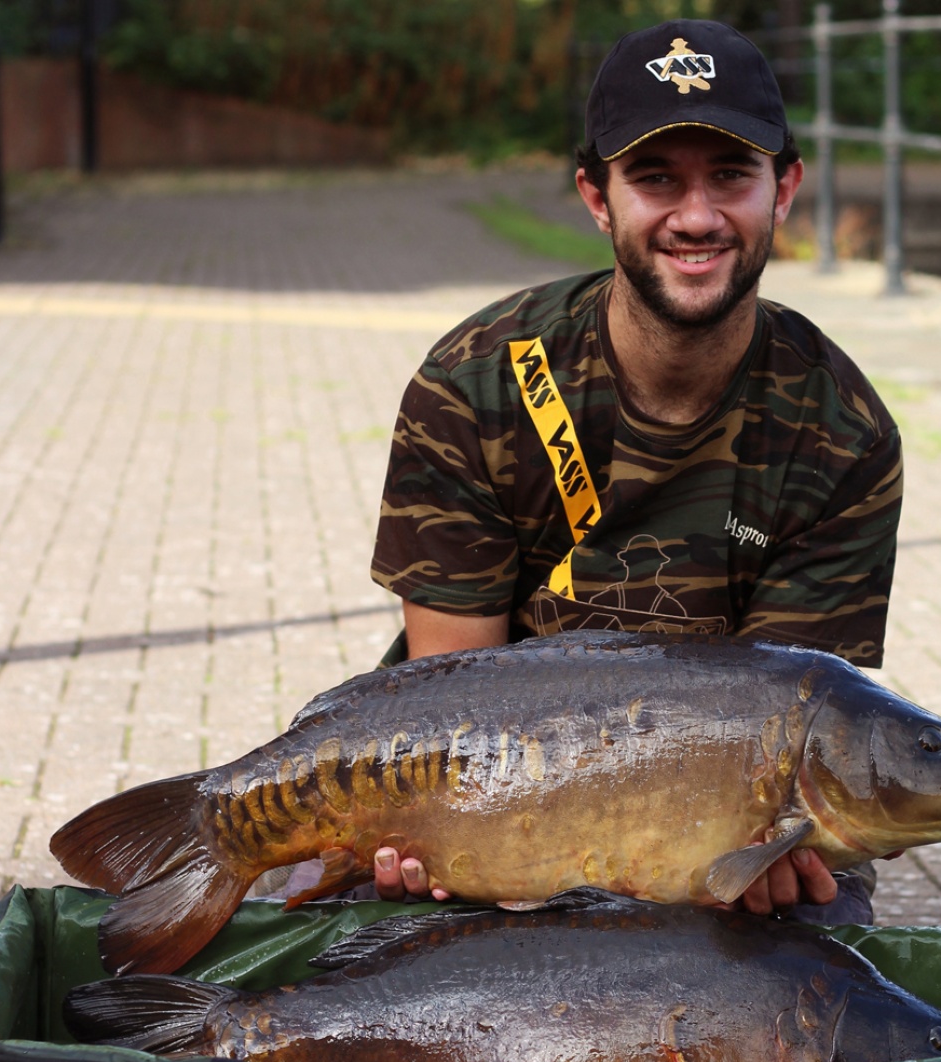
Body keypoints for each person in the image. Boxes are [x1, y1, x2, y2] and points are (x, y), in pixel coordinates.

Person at [365, 19, 903, 920]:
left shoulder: (842, 437)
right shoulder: (476, 383)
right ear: (596, 198)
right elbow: (455, 703)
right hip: (494, 788)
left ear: (785, 190)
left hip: (724, 813)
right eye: (656, 180)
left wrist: (740, 848)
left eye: (730, 176)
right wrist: (473, 849)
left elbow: (798, 726)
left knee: (808, 949)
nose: (696, 217)